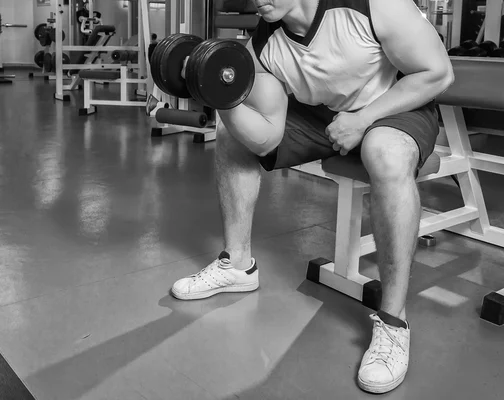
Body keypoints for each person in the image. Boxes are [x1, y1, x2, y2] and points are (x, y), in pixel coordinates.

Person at [170, 0, 454, 394]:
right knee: (230, 135)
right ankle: (237, 266)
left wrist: (363, 119)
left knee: (385, 155)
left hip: (394, 107)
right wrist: (221, 96)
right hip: (325, 117)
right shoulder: (265, 44)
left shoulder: (374, 6)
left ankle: (393, 321)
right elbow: (267, 135)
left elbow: (437, 72)